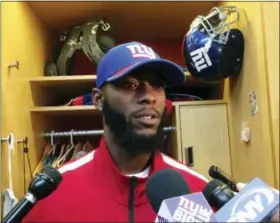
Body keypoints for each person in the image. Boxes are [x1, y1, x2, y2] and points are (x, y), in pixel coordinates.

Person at [22, 42, 279, 222]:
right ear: (99, 99)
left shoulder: (198, 191)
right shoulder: (48, 197)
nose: (149, 97)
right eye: (130, 84)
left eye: (157, 85)